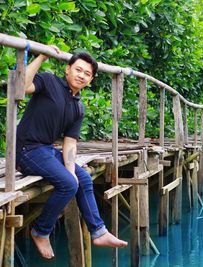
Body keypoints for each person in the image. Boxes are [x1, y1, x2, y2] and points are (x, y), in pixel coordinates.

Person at [15, 46, 128, 259]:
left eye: (87, 74)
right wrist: (42, 55)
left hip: (46, 150)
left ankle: (98, 231)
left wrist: (71, 170)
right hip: (26, 150)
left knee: (82, 178)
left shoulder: (78, 107)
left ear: (91, 80)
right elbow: (20, 87)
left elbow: (69, 143)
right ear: (67, 69)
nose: (81, 75)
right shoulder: (49, 81)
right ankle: (40, 231)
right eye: (78, 70)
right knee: (68, 184)